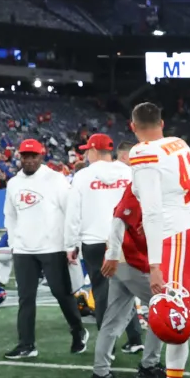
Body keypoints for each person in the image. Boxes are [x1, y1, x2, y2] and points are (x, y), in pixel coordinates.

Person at [124, 102, 190, 378]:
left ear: (133, 127)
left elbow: (153, 211)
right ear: (162, 122)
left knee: (175, 317)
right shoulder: (178, 144)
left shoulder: (143, 152)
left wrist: (155, 264)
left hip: (174, 237)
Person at [3, 138, 88, 359]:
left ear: (41, 156)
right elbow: (10, 215)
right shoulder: (13, 183)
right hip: (23, 249)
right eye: (25, 156)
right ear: (20, 157)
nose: (29, 160)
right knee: (25, 298)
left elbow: (71, 210)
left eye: (33, 156)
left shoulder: (55, 179)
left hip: (52, 246)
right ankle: (26, 344)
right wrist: (13, 243)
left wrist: (72, 243)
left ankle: (78, 330)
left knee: (62, 293)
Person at [64, 132, 142, 354]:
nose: (86, 156)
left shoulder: (83, 176)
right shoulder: (128, 172)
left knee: (101, 293)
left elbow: (73, 213)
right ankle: (135, 339)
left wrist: (71, 244)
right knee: (128, 290)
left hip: (95, 240)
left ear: (93, 151)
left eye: (87, 151)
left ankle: (108, 348)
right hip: (126, 239)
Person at [88, 181, 167, 378]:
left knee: (114, 318)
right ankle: (149, 366)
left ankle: (100, 374)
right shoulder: (143, 185)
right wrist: (113, 255)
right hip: (129, 261)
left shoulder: (154, 186)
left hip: (128, 260)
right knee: (163, 307)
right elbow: (118, 220)